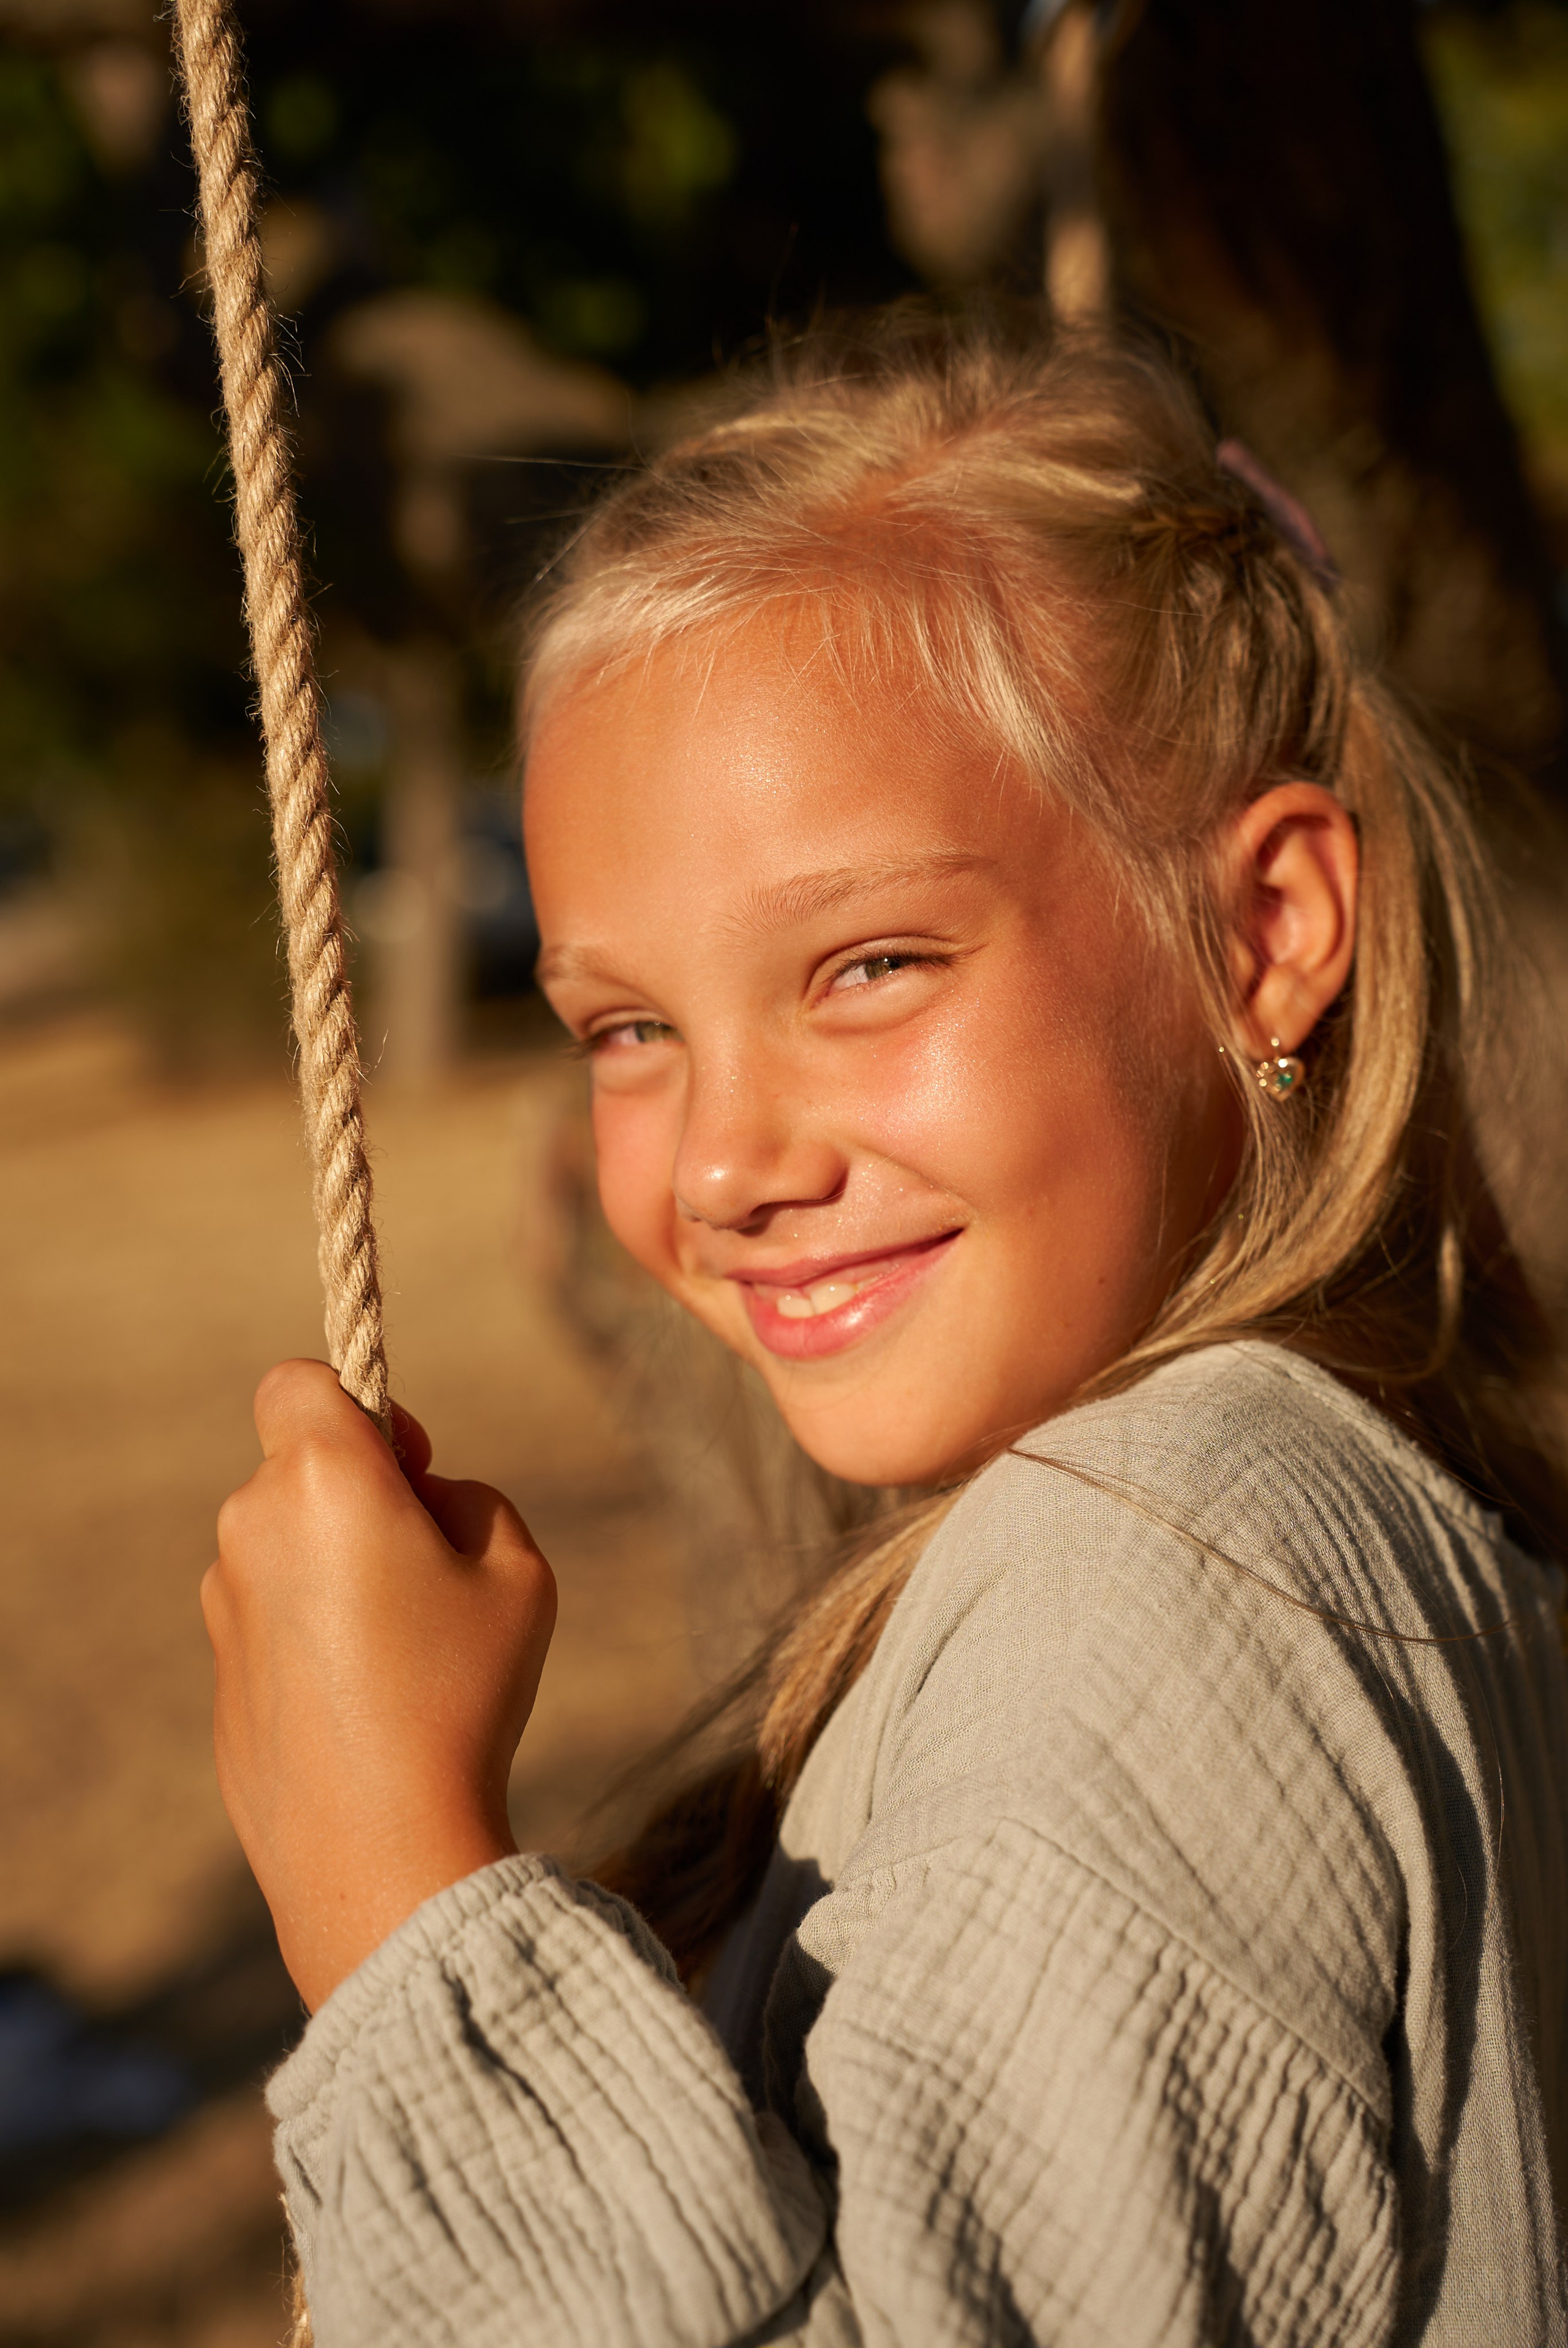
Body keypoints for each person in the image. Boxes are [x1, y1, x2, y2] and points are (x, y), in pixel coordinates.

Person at [203, 318, 1568, 2346]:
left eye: (869, 964)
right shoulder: (1334, 1504)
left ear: (1267, 929)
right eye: (630, 1026)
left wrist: (395, 1884)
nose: (726, 1160)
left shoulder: (1152, 1583)